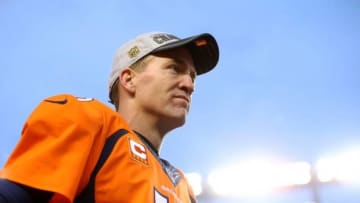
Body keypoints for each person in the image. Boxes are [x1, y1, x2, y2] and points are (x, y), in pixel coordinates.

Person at [0, 31, 219, 203]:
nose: (189, 85)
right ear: (129, 79)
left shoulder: (183, 187)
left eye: (192, 77)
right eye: (174, 68)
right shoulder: (88, 119)